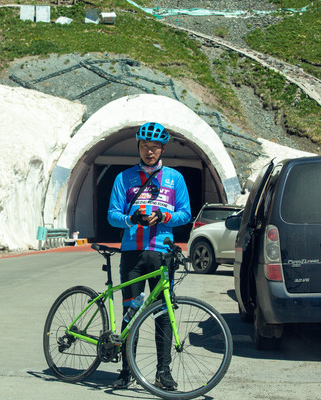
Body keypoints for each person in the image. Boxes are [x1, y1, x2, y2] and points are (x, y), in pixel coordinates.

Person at [107, 122, 192, 390]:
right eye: (145, 146)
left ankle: (163, 372)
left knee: (162, 313)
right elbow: (112, 215)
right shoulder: (123, 178)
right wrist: (131, 219)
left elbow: (186, 214)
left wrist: (164, 216)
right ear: (138, 147)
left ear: (162, 149)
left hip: (162, 253)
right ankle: (126, 370)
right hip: (132, 254)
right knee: (130, 312)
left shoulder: (175, 179)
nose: (149, 151)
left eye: (154, 147)